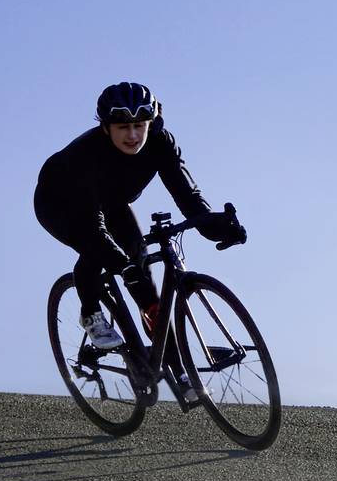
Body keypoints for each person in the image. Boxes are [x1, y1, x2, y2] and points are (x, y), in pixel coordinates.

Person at [33, 80, 246, 360]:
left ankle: (168, 361)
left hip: (112, 201)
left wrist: (215, 228)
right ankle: (91, 314)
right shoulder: (88, 155)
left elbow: (186, 194)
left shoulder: (160, 142)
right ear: (106, 127)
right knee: (101, 253)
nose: (133, 135)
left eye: (139, 126)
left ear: (151, 123)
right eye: (123, 127)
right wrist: (122, 266)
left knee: (140, 262)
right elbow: (93, 229)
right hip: (60, 203)